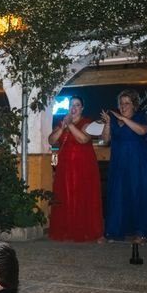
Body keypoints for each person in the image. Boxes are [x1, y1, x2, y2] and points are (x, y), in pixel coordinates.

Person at [101, 89, 147, 243]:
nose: (123, 106)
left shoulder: (140, 117)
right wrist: (107, 123)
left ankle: (141, 232)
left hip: (139, 163)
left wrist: (123, 119)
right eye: (121, 103)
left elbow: (141, 131)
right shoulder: (114, 119)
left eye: (127, 103)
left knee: (139, 194)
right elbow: (105, 139)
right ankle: (113, 231)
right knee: (118, 195)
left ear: (134, 105)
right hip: (119, 163)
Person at [48, 96, 103, 242]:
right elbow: (51, 140)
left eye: (77, 105)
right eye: (71, 105)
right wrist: (62, 127)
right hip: (65, 167)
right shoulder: (62, 123)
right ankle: (67, 229)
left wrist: (70, 125)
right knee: (65, 196)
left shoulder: (87, 122)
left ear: (82, 108)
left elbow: (83, 139)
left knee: (83, 196)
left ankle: (85, 230)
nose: (74, 108)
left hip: (84, 166)